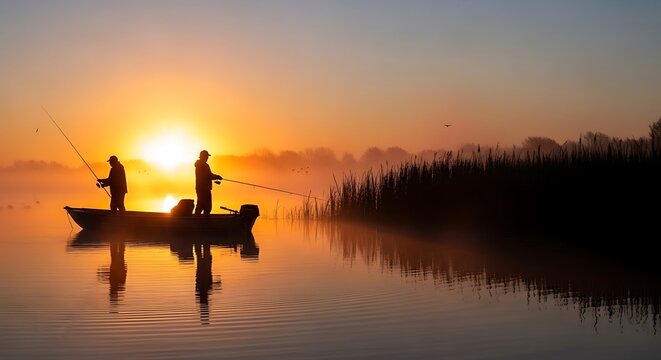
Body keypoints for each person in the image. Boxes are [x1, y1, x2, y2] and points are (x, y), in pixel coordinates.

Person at [194, 150, 222, 215]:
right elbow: (208, 175)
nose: (207, 158)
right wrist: (217, 176)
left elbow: (207, 175)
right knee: (206, 206)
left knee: (200, 205)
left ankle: (197, 218)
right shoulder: (204, 165)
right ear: (203, 156)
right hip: (204, 189)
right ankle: (203, 220)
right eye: (207, 156)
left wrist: (216, 177)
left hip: (200, 188)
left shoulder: (199, 165)